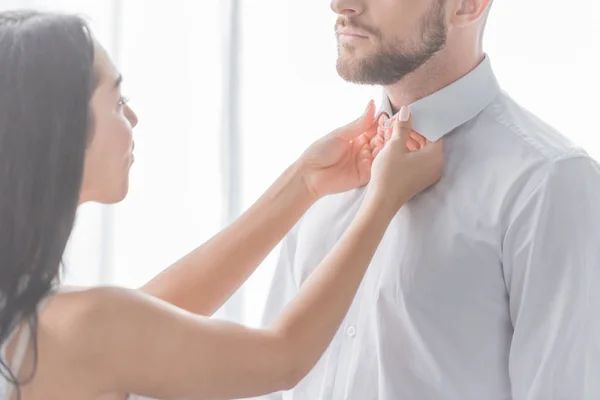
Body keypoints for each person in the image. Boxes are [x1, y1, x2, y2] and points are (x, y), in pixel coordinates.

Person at [0, 10, 444, 400]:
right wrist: (383, 201)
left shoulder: (42, 319)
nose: (133, 118)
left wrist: (305, 182)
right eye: (119, 101)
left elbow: (144, 320)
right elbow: (282, 356)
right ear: (63, 134)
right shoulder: (80, 327)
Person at [259, 0, 600, 399]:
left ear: (467, 6)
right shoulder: (323, 173)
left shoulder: (549, 182)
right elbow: (268, 377)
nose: (341, 4)